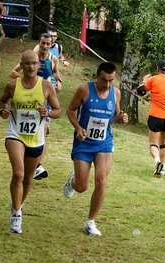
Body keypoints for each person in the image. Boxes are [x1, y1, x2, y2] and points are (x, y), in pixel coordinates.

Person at [0, 50, 62, 233]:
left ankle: (17, 203)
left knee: (27, 178)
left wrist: (48, 113)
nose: (31, 67)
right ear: (22, 65)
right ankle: (16, 214)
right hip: (15, 134)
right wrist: (3, 111)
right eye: (27, 63)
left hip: (36, 138)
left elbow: (58, 111)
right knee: (18, 174)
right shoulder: (12, 85)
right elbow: (1, 102)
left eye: (34, 63)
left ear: (38, 65)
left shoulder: (46, 87)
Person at [63, 62, 129, 236]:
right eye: (103, 80)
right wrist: (78, 128)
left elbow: (114, 115)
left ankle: (90, 222)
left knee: (101, 179)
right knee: (82, 187)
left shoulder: (115, 93)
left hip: (104, 143)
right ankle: (73, 181)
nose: (107, 84)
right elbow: (70, 110)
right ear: (97, 76)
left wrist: (120, 118)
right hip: (84, 142)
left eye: (111, 81)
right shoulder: (84, 90)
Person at [11, 33, 61, 180]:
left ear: (52, 45)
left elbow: (56, 73)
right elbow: (12, 73)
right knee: (28, 131)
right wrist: (29, 79)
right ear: (38, 42)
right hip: (28, 100)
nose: (45, 46)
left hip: (45, 102)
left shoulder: (53, 59)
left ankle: (38, 166)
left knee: (43, 131)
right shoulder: (31, 59)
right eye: (43, 43)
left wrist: (58, 83)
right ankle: (27, 160)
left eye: (48, 44)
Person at [136, 59, 165, 178]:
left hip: (155, 115)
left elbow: (140, 92)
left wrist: (144, 81)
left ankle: (158, 162)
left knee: (153, 143)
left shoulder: (153, 79)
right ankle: (162, 168)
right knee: (164, 143)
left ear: (158, 69)